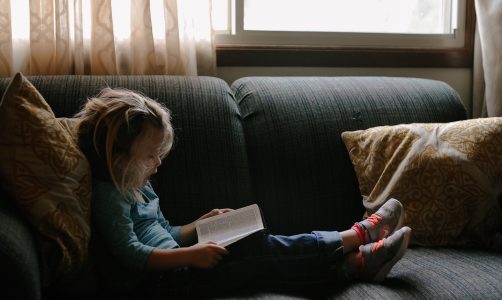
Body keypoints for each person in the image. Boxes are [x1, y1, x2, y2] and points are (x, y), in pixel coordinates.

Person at [75, 87, 412, 297]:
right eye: (150, 156)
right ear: (117, 156)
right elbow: (132, 254)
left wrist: (198, 225)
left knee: (260, 252)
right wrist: (191, 255)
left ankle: (354, 264)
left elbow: (165, 233)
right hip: (166, 284)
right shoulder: (109, 196)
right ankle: (357, 237)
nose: (158, 164)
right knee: (260, 252)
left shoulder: (140, 186)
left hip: (179, 267)